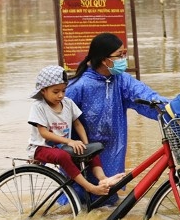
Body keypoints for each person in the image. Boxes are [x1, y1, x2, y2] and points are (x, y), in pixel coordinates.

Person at [65, 33, 169, 201]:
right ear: (105, 60)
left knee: (107, 201)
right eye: (119, 55)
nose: (123, 59)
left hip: (113, 151)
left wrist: (171, 108)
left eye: (124, 54)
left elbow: (145, 96)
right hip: (84, 151)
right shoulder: (78, 86)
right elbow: (57, 119)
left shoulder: (121, 80)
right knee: (76, 202)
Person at [27, 65, 122, 197]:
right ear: (43, 91)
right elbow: (43, 133)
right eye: (55, 92)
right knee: (62, 156)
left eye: (63, 91)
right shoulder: (39, 106)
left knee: (90, 150)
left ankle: (103, 179)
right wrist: (70, 141)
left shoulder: (68, 103)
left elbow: (78, 124)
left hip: (62, 146)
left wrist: (86, 144)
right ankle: (90, 187)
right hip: (40, 148)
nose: (60, 95)